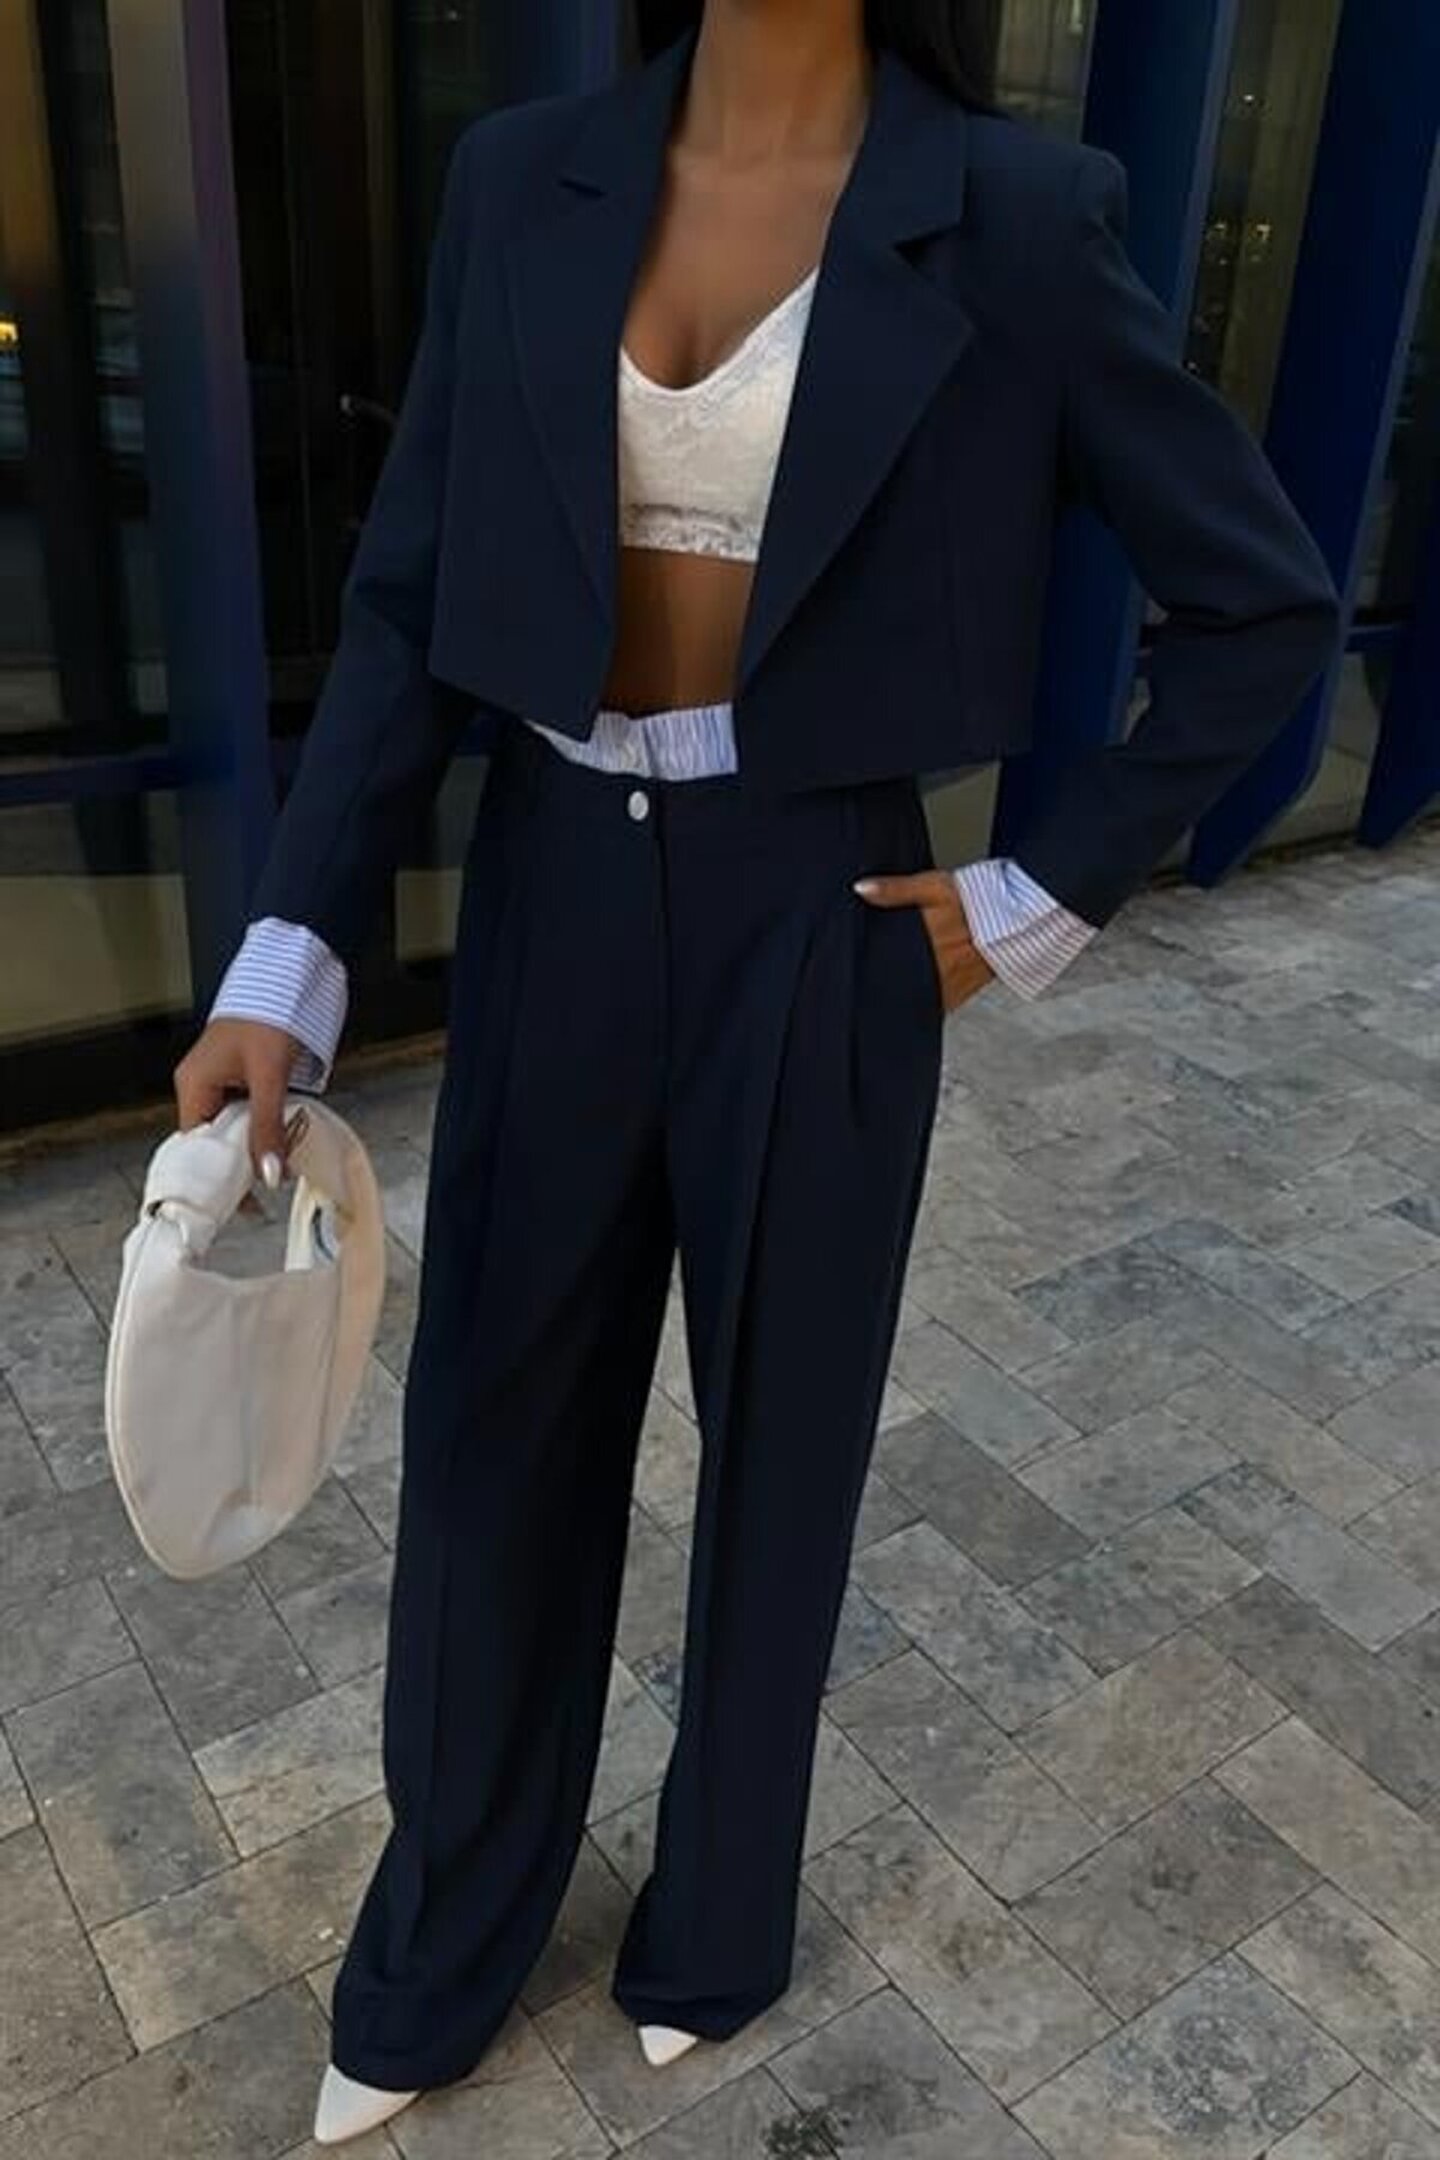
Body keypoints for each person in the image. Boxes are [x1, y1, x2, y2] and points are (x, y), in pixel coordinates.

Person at [173, 1, 1342, 2144]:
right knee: (495, 1429)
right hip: (550, 877)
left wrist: (1029, 900)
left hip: (820, 905)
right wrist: (290, 954)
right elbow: (412, 594)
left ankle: (720, 1926)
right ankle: (440, 1948)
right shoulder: (524, 183)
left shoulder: (1015, 215)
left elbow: (1260, 604)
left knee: (783, 1436)